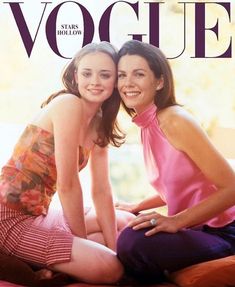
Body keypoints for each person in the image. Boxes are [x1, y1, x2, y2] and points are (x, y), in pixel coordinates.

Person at [0, 41, 133, 284]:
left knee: (126, 223)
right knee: (111, 269)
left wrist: (116, 249)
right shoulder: (68, 104)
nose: (95, 81)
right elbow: (68, 184)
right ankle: (34, 262)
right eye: (87, 73)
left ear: (115, 81)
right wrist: (81, 242)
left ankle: (46, 259)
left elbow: (102, 191)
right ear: (75, 75)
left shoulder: (100, 122)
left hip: (39, 214)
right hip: (7, 216)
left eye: (105, 75)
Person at [116, 40, 235, 284]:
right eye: (122, 75)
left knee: (133, 243)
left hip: (225, 232)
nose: (127, 83)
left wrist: (175, 221)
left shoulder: (175, 120)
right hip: (197, 228)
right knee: (124, 225)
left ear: (159, 81)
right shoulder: (147, 124)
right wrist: (136, 206)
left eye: (139, 74)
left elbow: (231, 188)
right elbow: (182, 185)